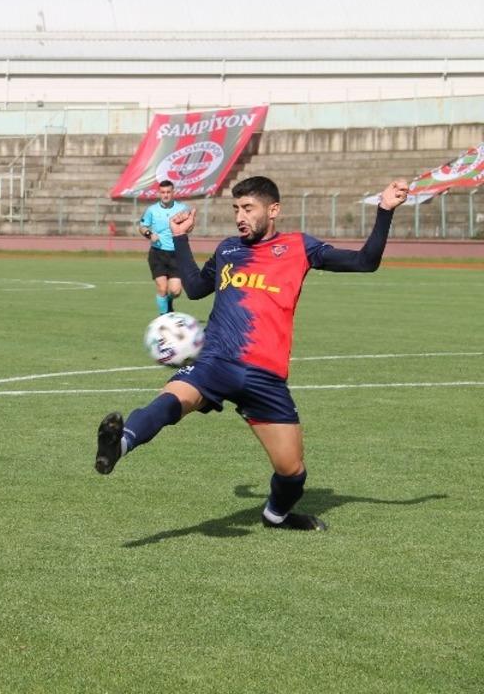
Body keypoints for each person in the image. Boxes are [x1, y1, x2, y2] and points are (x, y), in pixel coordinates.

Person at [95, 175, 410, 531]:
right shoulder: (229, 249)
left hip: (266, 376)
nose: (240, 216)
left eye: (248, 208)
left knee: (292, 471)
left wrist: (384, 210)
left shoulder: (298, 247)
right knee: (174, 399)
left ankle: (276, 516)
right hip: (217, 360)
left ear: (273, 210)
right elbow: (197, 288)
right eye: (235, 209)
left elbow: (365, 262)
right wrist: (181, 238)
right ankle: (118, 444)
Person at [138, 180, 188, 314]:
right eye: (163, 192)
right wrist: (149, 234)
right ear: (159, 193)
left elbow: (189, 226)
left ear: (173, 193)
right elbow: (142, 227)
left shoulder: (182, 209)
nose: (165, 195)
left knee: (175, 291)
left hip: (176, 254)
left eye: (168, 192)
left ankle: (169, 302)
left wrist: (187, 226)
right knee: (162, 288)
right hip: (157, 253)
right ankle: (163, 318)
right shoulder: (152, 210)